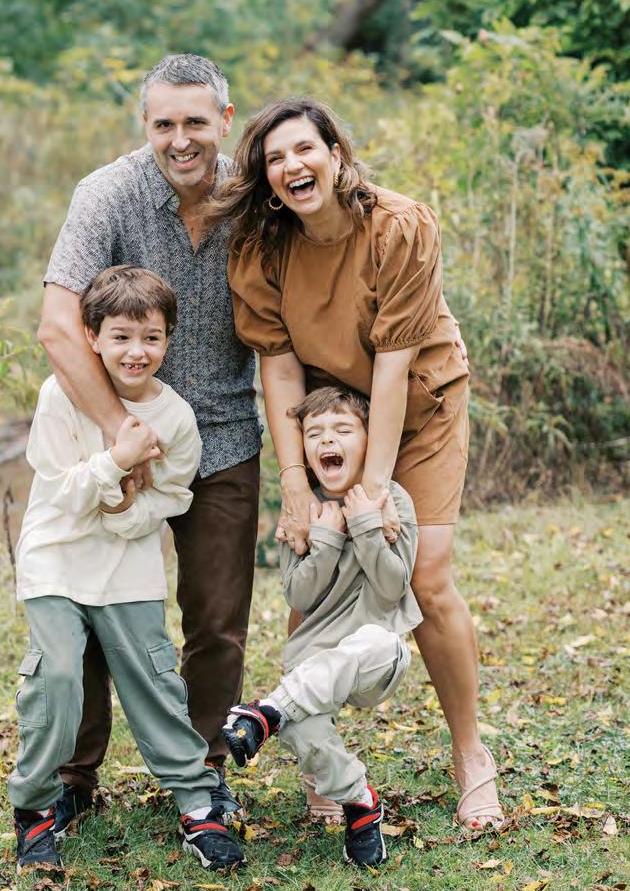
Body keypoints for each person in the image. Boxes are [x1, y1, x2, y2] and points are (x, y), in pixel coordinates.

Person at [216, 96, 504, 832]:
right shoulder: (261, 249)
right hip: (331, 419)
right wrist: (296, 486)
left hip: (420, 403)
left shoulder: (399, 227)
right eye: (275, 159)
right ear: (267, 178)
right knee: (311, 564)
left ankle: (470, 753)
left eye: (304, 149)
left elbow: (394, 365)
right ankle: (321, 760)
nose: (292, 166)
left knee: (425, 575)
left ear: (337, 155)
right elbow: (280, 368)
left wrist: (374, 491)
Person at [38, 54, 261, 835]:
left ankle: (201, 773)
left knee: (217, 620)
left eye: (195, 121)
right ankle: (73, 777)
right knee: (90, 609)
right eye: (164, 123)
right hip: (116, 435)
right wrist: (116, 432)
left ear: (224, 121)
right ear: (146, 124)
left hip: (224, 436)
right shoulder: (107, 193)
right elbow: (57, 326)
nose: (180, 139)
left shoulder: (252, 197)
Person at [9, 266, 245, 873]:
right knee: (58, 678)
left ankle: (198, 805)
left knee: (155, 683)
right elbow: (60, 492)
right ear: (91, 336)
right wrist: (117, 461)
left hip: (128, 570)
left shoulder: (176, 417)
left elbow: (172, 498)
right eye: (120, 336)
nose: (136, 351)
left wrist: (121, 511)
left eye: (151, 337)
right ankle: (35, 809)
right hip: (55, 561)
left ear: (168, 340)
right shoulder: (59, 395)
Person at [223, 387, 419, 867]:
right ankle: (360, 803)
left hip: (377, 658)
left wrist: (366, 526)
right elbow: (299, 596)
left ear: (369, 440)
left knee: (374, 642)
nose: (327, 439)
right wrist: (327, 537)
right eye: (314, 433)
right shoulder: (302, 509)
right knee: (302, 728)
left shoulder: (392, 499)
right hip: (313, 665)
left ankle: (269, 710)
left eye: (342, 429)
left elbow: (393, 588)